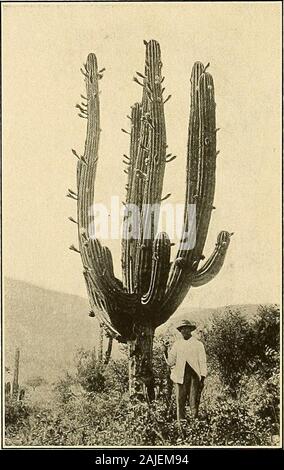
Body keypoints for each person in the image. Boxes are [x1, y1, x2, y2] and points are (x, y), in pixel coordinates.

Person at [163, 319, 207, 421]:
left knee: (193, 402)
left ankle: (194, 425)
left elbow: (202, 362)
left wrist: (202, 378)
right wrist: (165, 351)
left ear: (190, 330)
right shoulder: (177, 344)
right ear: (180, 331)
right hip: (180, 376)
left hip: (194, 377)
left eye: (187, 329)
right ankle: (181, 426)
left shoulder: (198, 344)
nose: (184, 331)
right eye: (182, 329)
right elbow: (170, 362)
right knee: (180, 402)